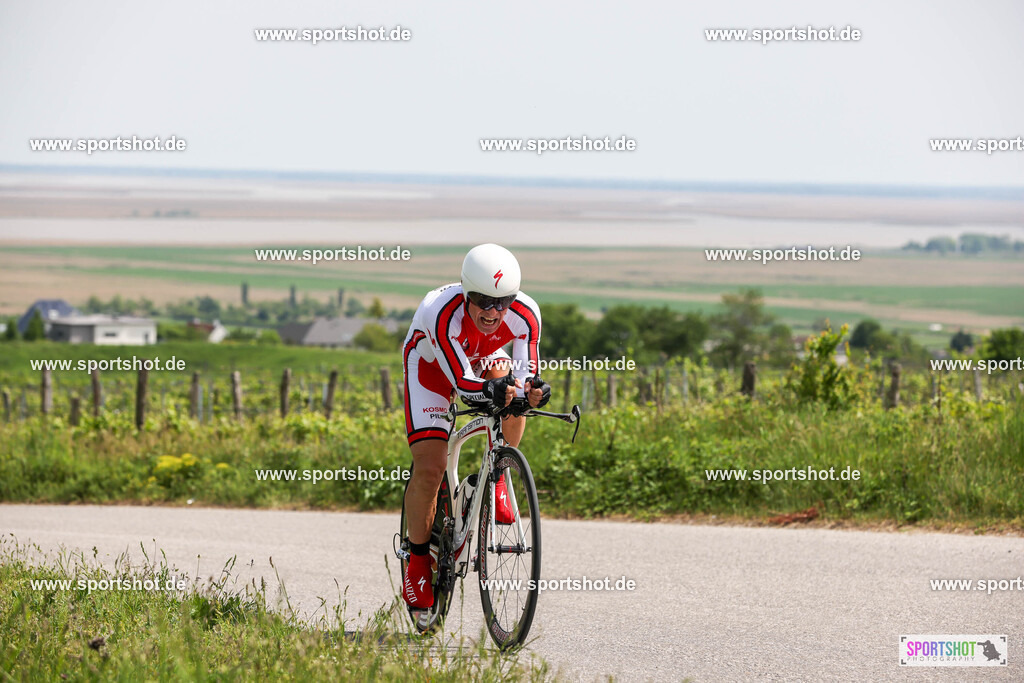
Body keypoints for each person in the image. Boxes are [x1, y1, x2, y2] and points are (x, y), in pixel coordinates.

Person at [400, 243, 551, 609]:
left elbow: (525, 371)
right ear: (467, 292)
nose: (493, 311)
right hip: (432, 368)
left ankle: (498, 474)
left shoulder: (527, 313)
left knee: (512, 392)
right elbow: (464, 385)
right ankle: (418, 559)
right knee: (431, 466)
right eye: (483, 300)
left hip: (482, 359)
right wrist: (493, 389)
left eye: (503, 302)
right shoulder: (440, 311)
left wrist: (532, 391)